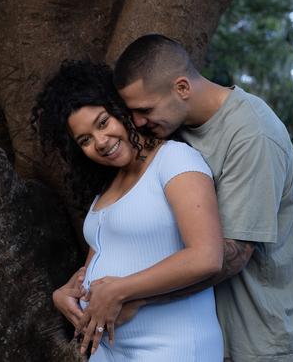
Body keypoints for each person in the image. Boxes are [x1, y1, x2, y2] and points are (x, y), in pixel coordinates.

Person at [86, 34, 293, 362]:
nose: (138, 123)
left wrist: (131, 298)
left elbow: (233, 255)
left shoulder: (252, 134)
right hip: (210, 337)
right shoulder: (174, 128)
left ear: (182, 88)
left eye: (145, 110)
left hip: (266, 341)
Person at [32, 60, 224, 361]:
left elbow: (207, 256)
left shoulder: (174, 160)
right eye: (85, 140)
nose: (101, 142)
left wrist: (120, 290)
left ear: (120, 109)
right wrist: (66, 294)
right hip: (107, 348)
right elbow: (101, 261)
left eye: (103, 122)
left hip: (173, 346)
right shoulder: (106, 187)